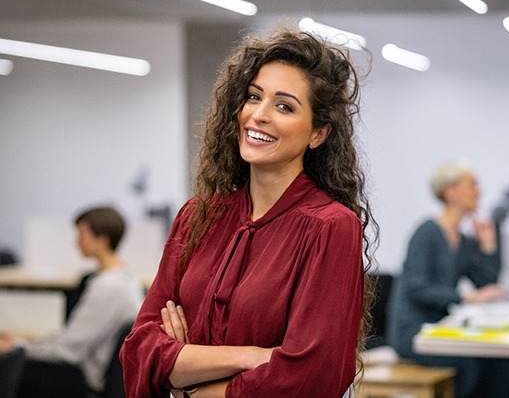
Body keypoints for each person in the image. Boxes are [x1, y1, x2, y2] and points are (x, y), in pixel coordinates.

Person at [119, 27, 378, 398]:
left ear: (318, 133)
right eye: (254, 97)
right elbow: (139, 350)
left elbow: (312, 376)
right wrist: (250, 356)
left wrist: (191, 383)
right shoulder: (197, 217)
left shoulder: (330, 227)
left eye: (284, 106)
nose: (259, 115)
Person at [386, 161, 509, 398]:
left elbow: (485, 282)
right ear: (450, 191)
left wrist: (488, 245)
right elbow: (418, 287)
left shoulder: (464, 240)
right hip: (414, 332)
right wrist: (466, 298)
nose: (479, 191)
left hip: (441, 330)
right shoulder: (427, 232)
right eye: (472, 184)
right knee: (480, 365)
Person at [0, 206, 145, 397]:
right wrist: (28, 341)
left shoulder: (108, 287)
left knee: (8, 366)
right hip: (93, 371)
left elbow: (68, 351)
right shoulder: (126, 277)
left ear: (102, 240)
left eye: (82, 234)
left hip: (85, 379)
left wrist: (18, 346)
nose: (77, 241)